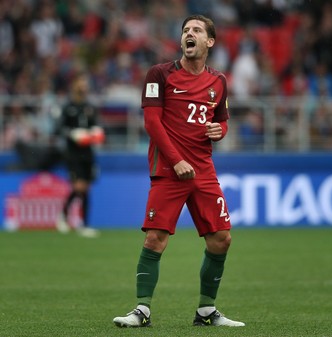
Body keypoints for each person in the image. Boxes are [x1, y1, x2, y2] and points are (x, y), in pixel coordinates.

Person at [112, 15, 245, 327]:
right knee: (155, 238)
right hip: (169, 170)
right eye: (186, 30)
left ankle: (206, 312)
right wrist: (176, 160)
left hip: (203, 169)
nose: (190, 34)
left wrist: (219, 131)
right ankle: (141, 310)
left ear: (209, 42)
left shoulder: (218, 81)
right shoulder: (159, 74)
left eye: (197, 30)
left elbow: (222, 120)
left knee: (221, 239)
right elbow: (152, 123)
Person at [55, 73, 105, 238]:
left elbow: (96, 124)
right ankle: (64, 216)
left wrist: (97, 131)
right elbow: (59, 129)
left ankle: (83, 224)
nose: (84, 86)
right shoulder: (68, 106)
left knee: (86, 188)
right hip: (73, 153)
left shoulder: (89, 106)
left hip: (87, 152)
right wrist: (72, 133)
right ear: (75, 85)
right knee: (79, 187)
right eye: (81, 82)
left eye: (86, 83)